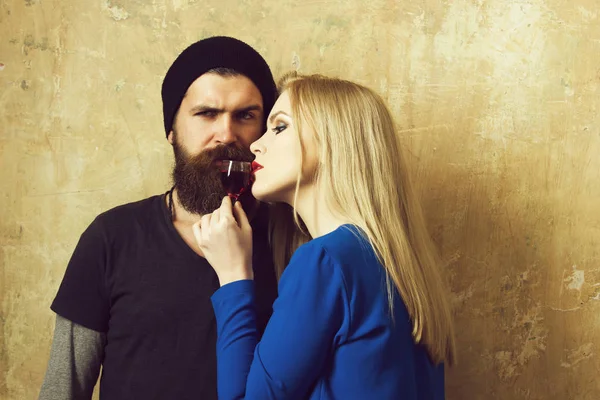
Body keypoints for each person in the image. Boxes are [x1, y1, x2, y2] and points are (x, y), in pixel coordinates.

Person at [38, 36, 278, 400]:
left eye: (246, 115)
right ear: (171, 130)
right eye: (206, 113)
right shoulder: (111, 237)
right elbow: (63, 388)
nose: (227, 134)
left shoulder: (292, 241)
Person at [194, 73, 457, 399]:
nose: (256, 145)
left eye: (280, 127)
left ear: (333, 142)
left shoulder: (326, 261)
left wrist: (233, 275)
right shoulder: (401, 263)